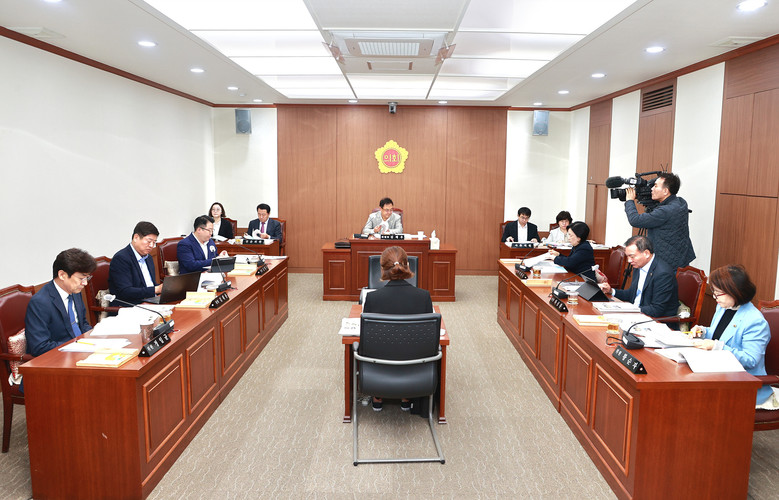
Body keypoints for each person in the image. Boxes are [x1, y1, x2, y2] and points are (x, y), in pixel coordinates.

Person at [689, 265, 772, 405]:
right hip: (717, 373)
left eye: (718, 293)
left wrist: (717, 347)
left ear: (734, 291)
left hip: (742, 384)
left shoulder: (755, 321)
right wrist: (702, 331)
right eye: (714, 292)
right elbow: (718, 334)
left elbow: (751, 359)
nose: (714, 297)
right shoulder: (723, 307)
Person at [363, 246, 433, 412]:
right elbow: (428, 335)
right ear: (407, 265)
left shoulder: (372, 298)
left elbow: (366, 336)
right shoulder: (424, 297)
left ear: (382, 269)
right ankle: (406, 397)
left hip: (379, 364)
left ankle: (377, 396)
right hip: (415, 364)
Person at [25, 248, 96, 357]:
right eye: (81, 278)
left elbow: (82, 324)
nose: (85, 283)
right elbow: (39, 346)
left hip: (82, 350)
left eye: (87, 278)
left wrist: (95, 338)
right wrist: (77, 345)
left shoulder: (75, 291)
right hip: (58, 357)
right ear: (62, 275)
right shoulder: (40, 302)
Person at [624, 172, 695, 270]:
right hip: (680, 258)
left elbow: (635, 220)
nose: (652, 189)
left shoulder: (665, 211)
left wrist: (629, 201)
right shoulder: (680, 202)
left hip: (668, 264)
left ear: (665, 191)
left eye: (655, 186)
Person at [598, 235, 679, 318]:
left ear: (646, 253)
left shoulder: (663, 273)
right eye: (627, 256)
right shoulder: (639, 266)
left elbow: (657, 310)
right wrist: (611, 291)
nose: (629, 260)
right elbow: (632, 294)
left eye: (632, 256)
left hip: (654, 319)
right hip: (637, 313)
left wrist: (629, 310)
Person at [108, 221, 163, 305]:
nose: (151, 245)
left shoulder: (148, 258)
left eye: (154, 242)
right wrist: (156, 289)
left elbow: (150, 284)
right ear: (136, 237)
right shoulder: (121, 259)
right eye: (149, 241)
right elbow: (125, 291)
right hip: (130, 306)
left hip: (150, 302)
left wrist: (164, 289)